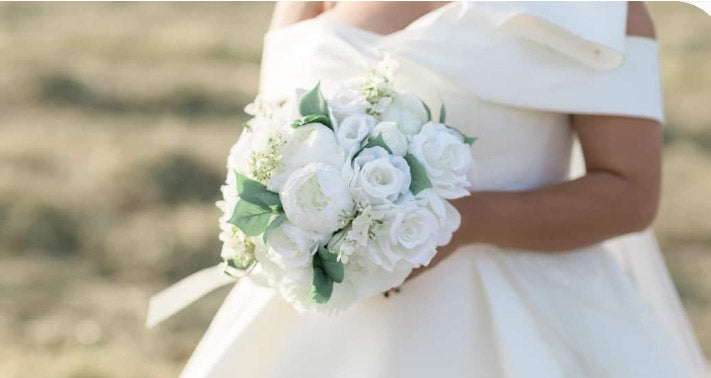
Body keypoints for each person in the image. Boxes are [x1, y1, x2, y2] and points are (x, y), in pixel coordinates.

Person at [182, 2, 708, 377]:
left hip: (515, 317)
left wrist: (457, 223)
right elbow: (271, 141)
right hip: (308, 324)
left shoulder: (603, 12)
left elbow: (630, 192)